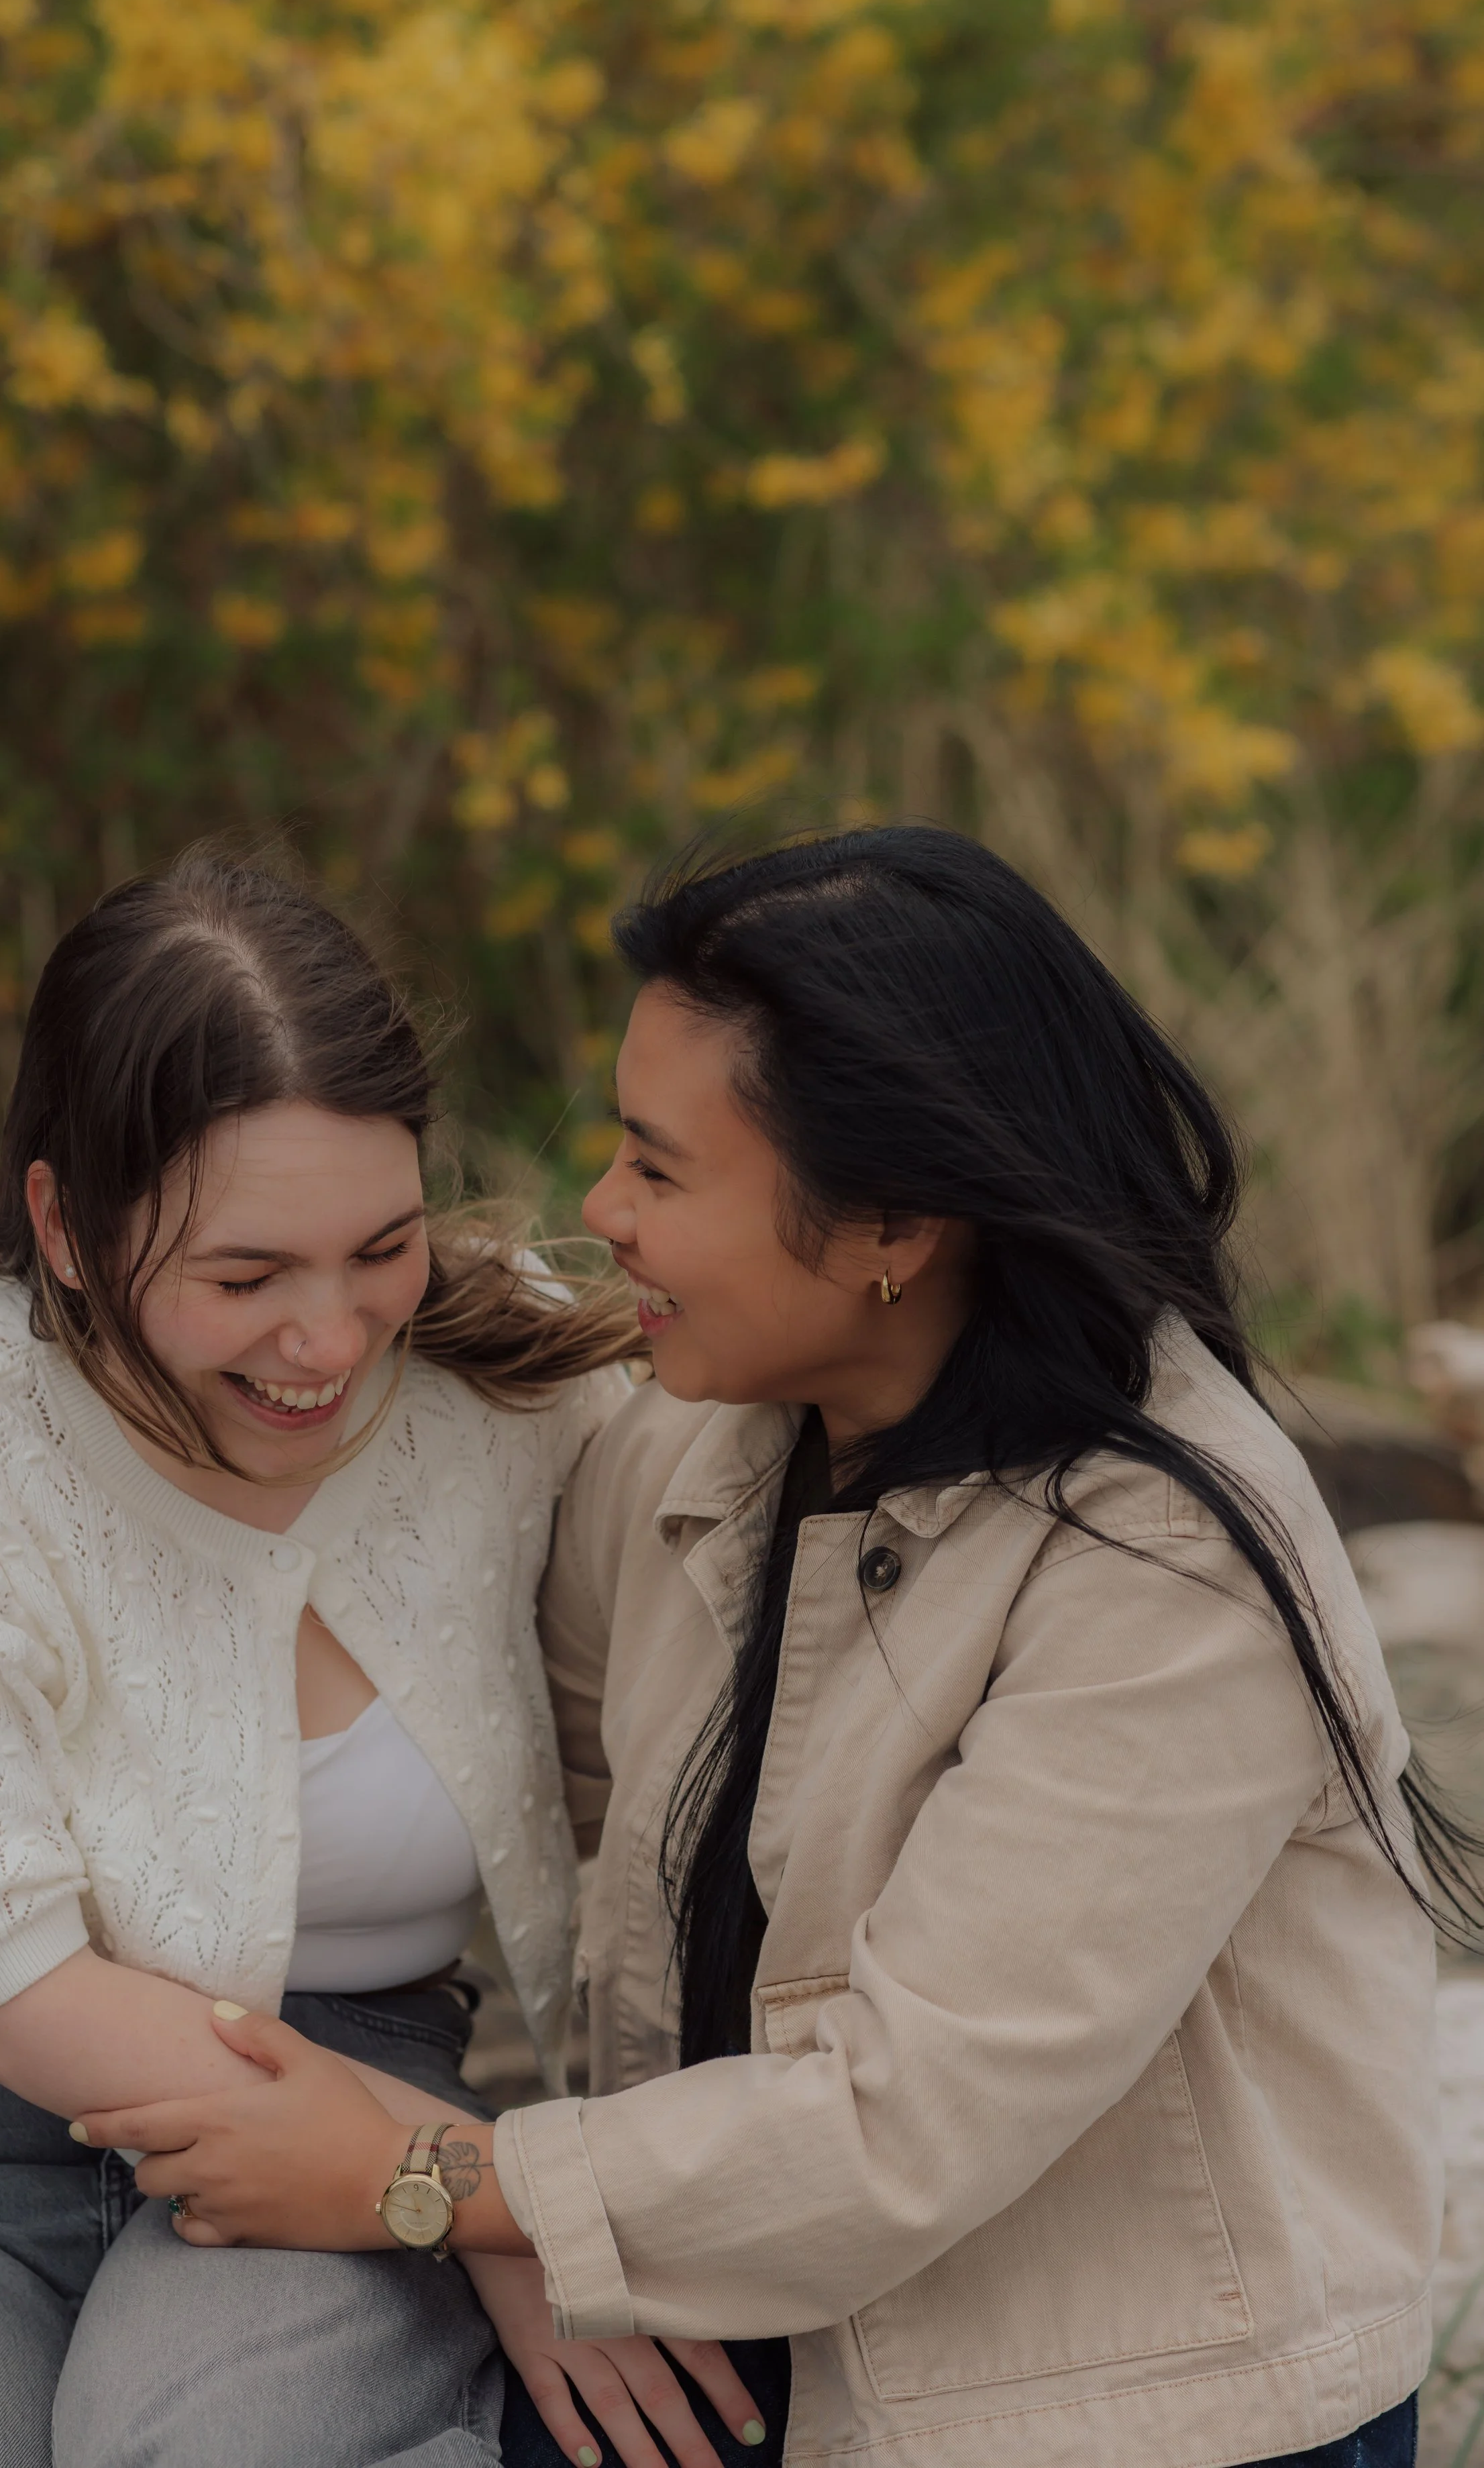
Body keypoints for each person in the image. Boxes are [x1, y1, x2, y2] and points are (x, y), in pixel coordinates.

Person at [77, 827, 1447, 2468]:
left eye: (658, 1169)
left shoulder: (1169, 1566)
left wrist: (426, 2177)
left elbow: (898, 2122)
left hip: (1112, 2414)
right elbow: (516, 1736)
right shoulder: (723, 1433)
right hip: (749, 2318)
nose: (604, 1210)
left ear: (890, 1221)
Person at [0, 852, 762, 2468]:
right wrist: (484, 2198)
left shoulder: (508, 1391)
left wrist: (439, 2183)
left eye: (378, 1247)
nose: (328, 1338)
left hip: (358, 2057)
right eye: (244, 1277)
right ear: (63, 1221)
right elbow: (7, 1978)